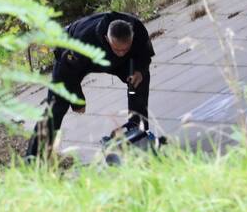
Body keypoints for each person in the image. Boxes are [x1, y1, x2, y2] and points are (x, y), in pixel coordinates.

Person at [24, 11, 155, 159]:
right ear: (106, 38)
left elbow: (144, 54)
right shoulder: (84, 41)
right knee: (56, 105)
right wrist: (77, 100)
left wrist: (140, 70)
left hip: (111, 60)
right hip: (74, 59)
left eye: (125, 49)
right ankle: (34, 156)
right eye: (118, 49)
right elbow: (67, 72)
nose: (121, 53)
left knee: (137, 82)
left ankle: (137, 128)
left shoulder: (137, 29)